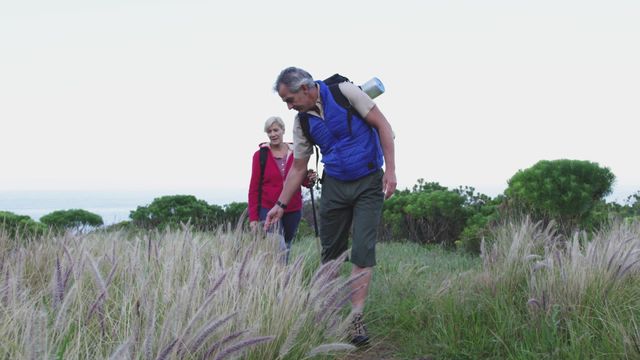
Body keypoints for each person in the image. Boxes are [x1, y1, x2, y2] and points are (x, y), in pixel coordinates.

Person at [264, 67, 397, 346]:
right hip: (334, 184)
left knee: (362, 250)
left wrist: (391, 172)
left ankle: (356, 319)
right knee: (331, 255)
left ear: (305, 88)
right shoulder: (302, 123)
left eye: (289, 100)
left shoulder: (344, 92)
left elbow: (383, 126)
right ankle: (329, 317)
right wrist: (280, 204)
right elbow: (299, 167)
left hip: (368, 180)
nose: (289, 107)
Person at [248, 116, 314, 263]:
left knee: (287, 246)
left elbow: (300, 179)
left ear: (283, 130)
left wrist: (308, 178)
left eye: (276, 130)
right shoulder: (260, 156)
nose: (273, 134)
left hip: (293, 209)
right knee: (279, 247)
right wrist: (253, 218)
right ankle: (278, 280)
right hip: (268, 209)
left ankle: (281, 280)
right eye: (269, 131)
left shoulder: (296, 151)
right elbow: (254, 188)